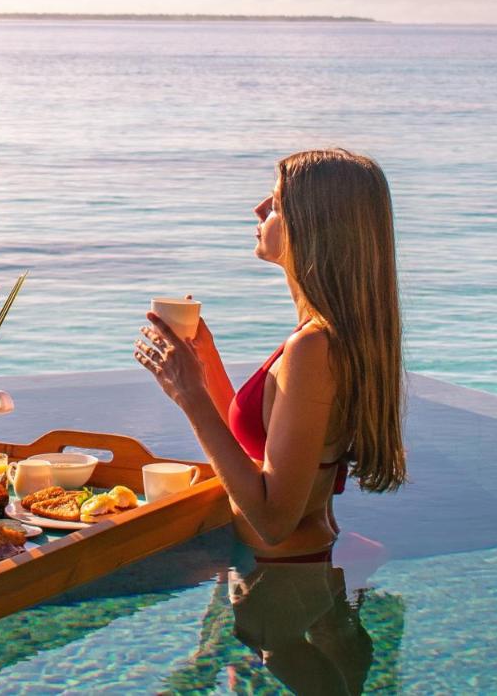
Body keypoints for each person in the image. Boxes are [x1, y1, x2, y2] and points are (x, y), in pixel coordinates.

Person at [135, 147, 407, 561]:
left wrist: (188, 395)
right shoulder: (323, 336)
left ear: (314, 226)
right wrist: (204, 360)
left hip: (284, 576)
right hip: (294, 567)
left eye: (277, 203)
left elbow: (274, 521)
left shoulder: (313, 348)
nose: (258, 208)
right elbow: (260, 448)